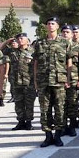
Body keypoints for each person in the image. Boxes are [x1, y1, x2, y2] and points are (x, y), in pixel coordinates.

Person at [33, 17, 71, 147]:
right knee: (45, 110)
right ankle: (48, 136)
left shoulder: (64, 42)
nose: (50, 26)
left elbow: (68, 62)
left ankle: (58, 136)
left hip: (59, 81)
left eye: (53, 24)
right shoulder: (39, 43)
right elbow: (36, 63)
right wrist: (36, 81)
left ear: (57, 26)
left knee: (60, 109)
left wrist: (68, 79)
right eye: (48, 23)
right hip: (43, 81)